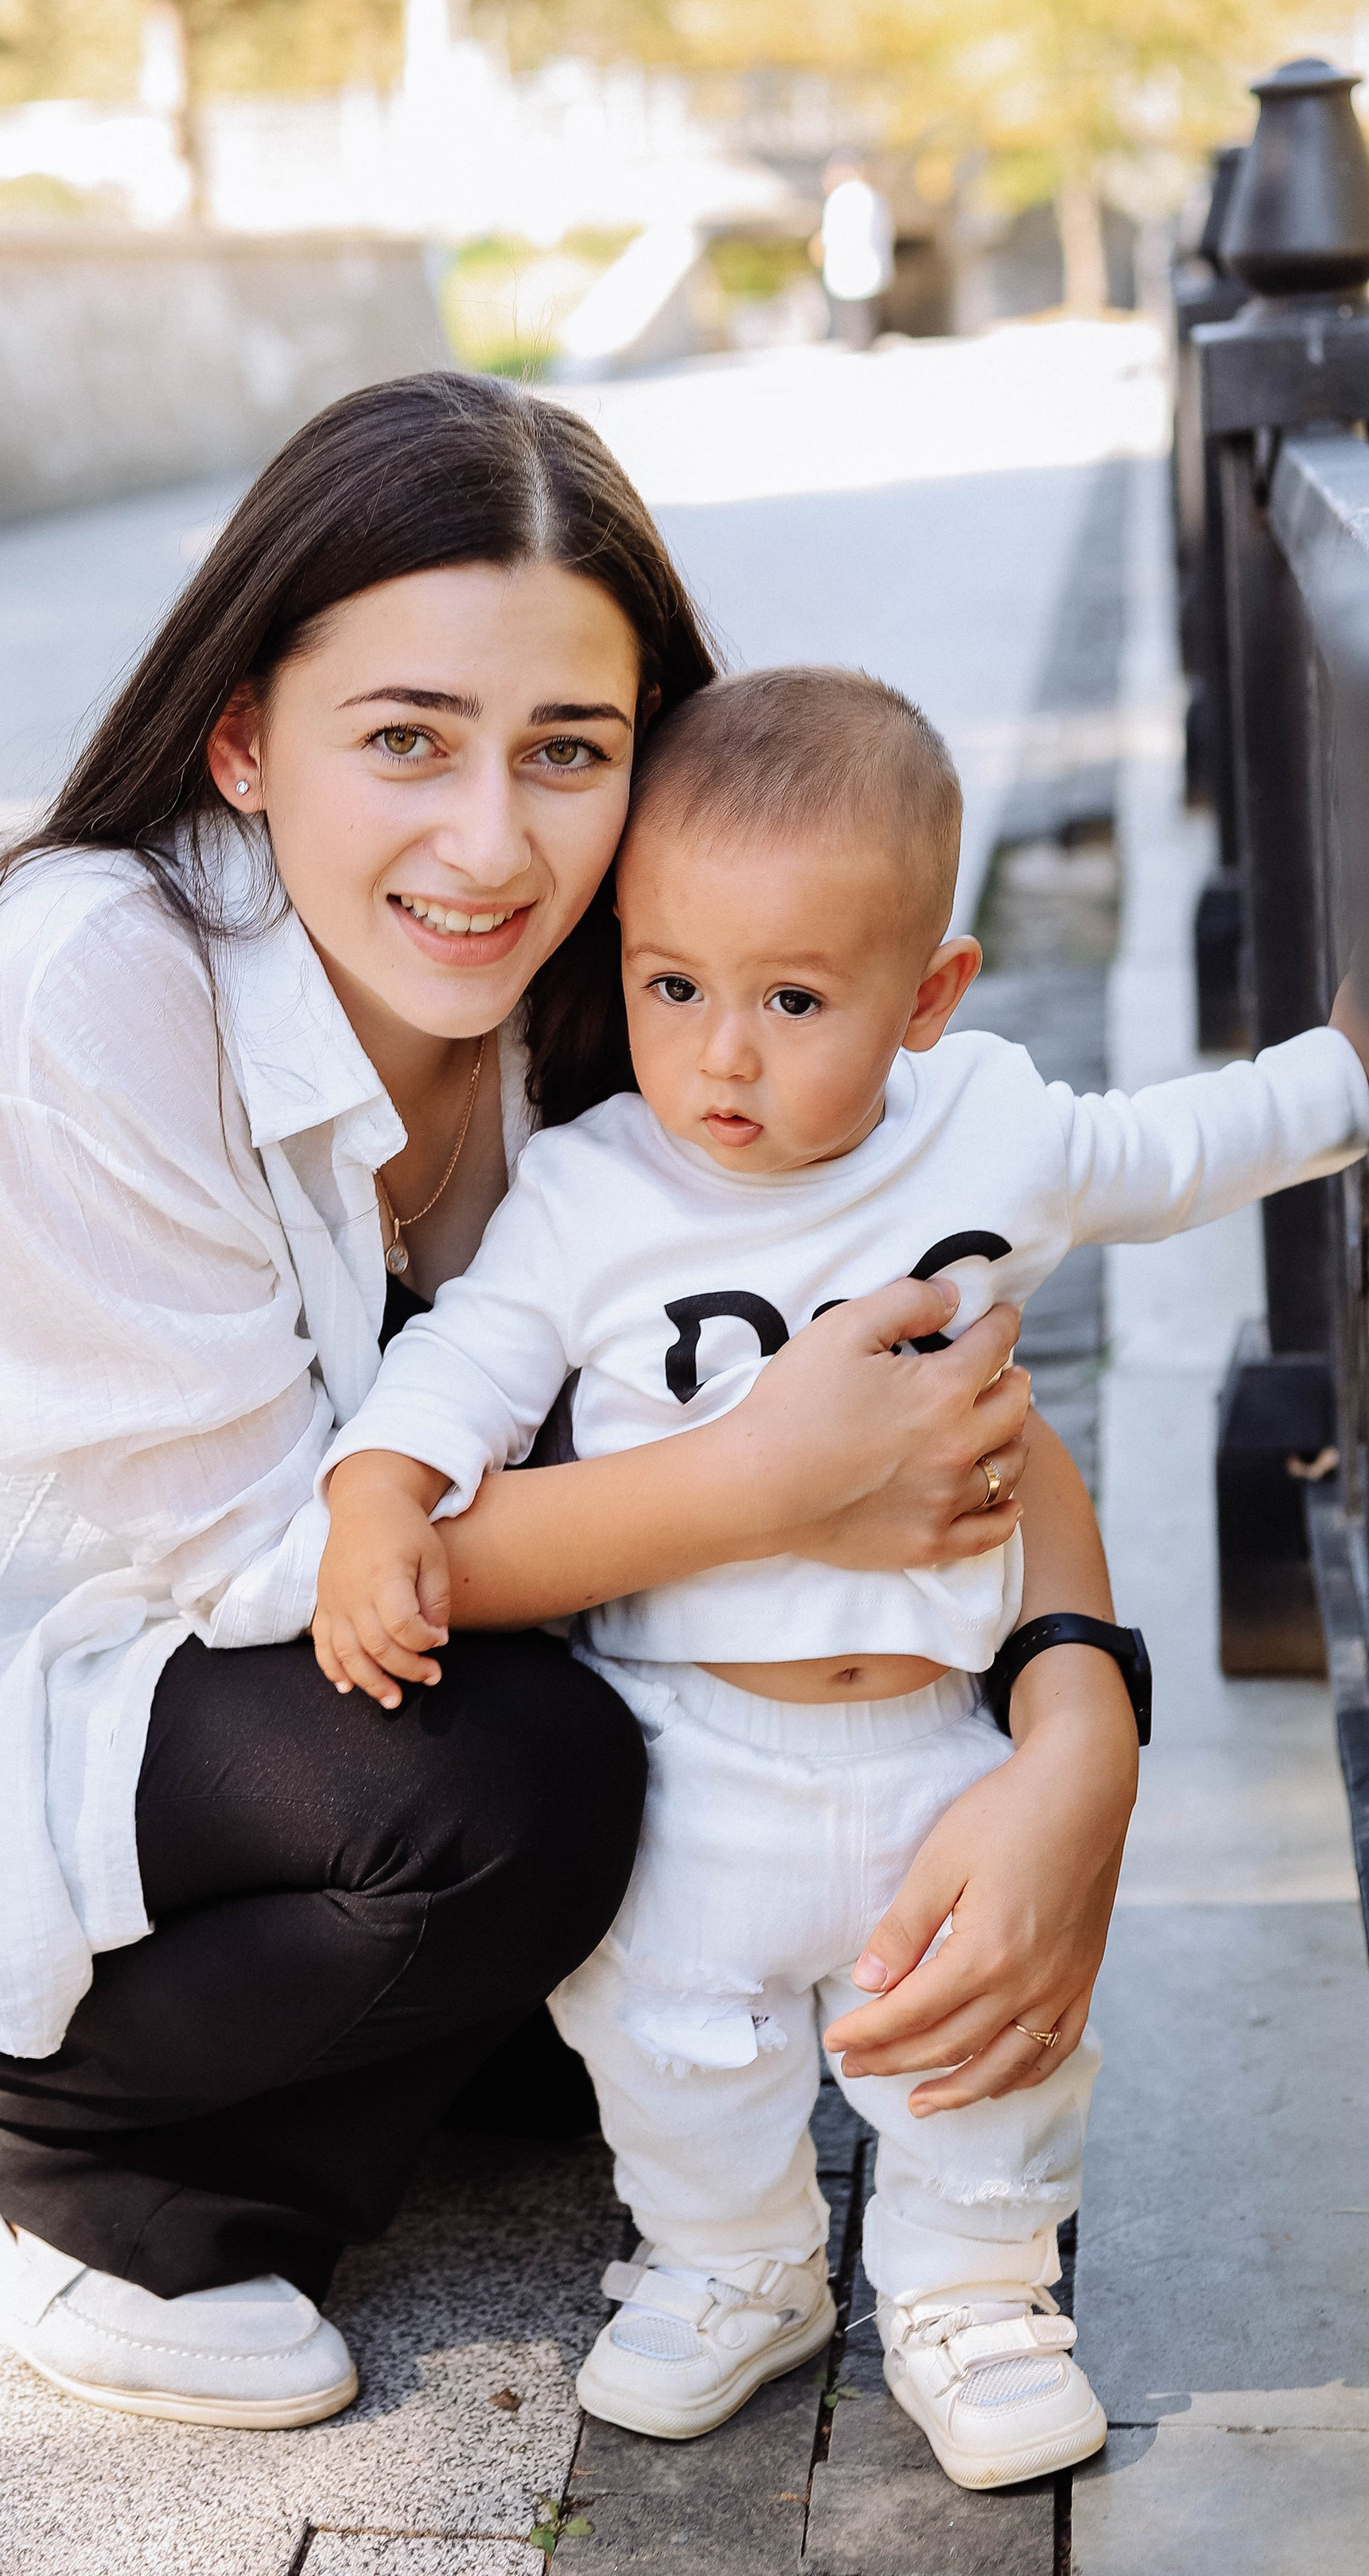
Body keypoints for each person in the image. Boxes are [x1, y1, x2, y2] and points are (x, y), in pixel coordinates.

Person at [0, 373, 1134, 2434]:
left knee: (671, 1947)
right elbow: (292, 1559)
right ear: (246, 736)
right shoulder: (79, 978)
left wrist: (1079, 1733)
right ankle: (55, 2160)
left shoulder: (643, 980)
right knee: (527, 1799)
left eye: (570, 753)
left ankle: (358, 2030)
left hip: (298, 1678)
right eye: (405, 743)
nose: (490, 840)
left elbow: (927, 1347)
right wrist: (751, 1481)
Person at [317, 664, 1369, 2485]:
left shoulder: (987, 1128)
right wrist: (378, 1493)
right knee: (668, 2032)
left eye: (792, 998)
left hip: (931, 1736)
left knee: (970, 2032)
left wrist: (1343, 1068)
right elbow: (467, 1353)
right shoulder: (590, 1187)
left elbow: (1183, 1148)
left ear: (925, 994)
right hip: (679, 1735)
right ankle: (732, 2265)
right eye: (671, 984)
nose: (719, 1054)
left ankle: (970, 2288)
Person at [819, 160, 896, 348]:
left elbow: (831, 237)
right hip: (864, 269)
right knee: (863, 321)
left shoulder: (842, 197)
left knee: (852, 325)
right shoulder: (872, 196)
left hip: (850, 267)